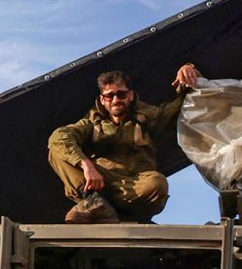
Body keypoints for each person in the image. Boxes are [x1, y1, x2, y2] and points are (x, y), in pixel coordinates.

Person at [48, 64, 201, 223]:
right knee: (57, 152)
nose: (115, 100)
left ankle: (111, 211)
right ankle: (95, 205)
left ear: (131, 96)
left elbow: (183, 105)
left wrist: (190, 71)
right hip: (99, 187)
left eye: (121, 94)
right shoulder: (92, 124)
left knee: (157, 182)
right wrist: (86, 165)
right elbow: (59, 137)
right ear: (102, 99)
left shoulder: (148, 118)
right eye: (109, 96)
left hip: (134, 188)